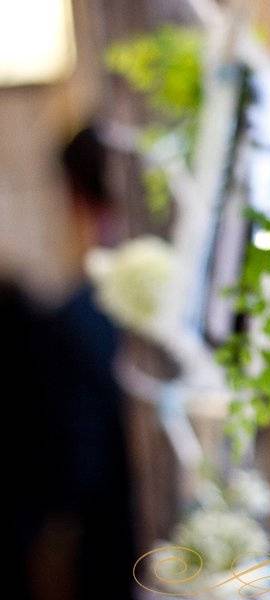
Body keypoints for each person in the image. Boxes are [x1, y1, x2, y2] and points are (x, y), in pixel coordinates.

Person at [8, 126, 136, 600]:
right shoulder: (210, 292)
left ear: (75, 196)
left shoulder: (75, 320)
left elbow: (72, 470)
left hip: (118, 551)